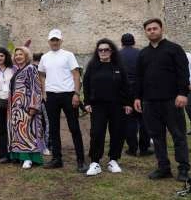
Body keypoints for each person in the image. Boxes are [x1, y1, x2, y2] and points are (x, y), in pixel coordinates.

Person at [134, 18, 191, 181]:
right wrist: (137, 97)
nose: (152, 31)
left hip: (172, 101)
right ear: (145, 32)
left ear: (161, 29)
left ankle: (183, 168)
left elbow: (183, 73)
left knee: (178, 135)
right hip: (150, 102)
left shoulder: (174, 49)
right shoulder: (143, 54)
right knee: (157, 136)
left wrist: (182, 93)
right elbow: (139, 77)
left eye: (155, 28)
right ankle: (163, 167)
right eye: (149, 29)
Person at [82, 39, 132, 176]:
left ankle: (113, 160)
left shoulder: (119, 66)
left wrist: (128, 103)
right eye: (100, 50)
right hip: (98, 106)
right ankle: (95, 162)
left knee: (117, 132)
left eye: (106, 50)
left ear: (112, 51)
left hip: (117, 106)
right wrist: (87, 102)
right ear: (97, 52)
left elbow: (126, 86)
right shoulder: (92, 66)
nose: (103, 52)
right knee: (97, 133)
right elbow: (86, 85)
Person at [38, 29, 86, 172]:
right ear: (49, 41)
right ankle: (57, 159)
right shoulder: (45, 57)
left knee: (74, 127)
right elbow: (41, 74)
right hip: (51, 96)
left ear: (61, 41)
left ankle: (81, 160)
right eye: (52, 40)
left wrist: (76, 93)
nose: (54, 42)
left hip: (68, 94)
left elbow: (76, 74)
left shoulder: (68, 55)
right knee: (53, 128)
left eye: (57, 40)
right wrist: (44, 92)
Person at [8, 47, 44, 169]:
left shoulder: (31, 69)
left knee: (28, 132)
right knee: (20, 133)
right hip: (16, 108)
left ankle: (29, 158)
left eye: (21, 54)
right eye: (16, 55)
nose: (18, 56)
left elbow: (36, 88)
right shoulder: (17, 70)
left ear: (26, 56)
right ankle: (21, 156)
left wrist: (33, 106)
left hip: (27, 106)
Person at [119, 33, 151, 157]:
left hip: (125, 90)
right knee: (144, 120)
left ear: (122, 42)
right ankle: (144, 148)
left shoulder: (118, 55)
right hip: (140, 89)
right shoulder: (141, 53)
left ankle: (132, 148)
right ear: (134, 42)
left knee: (129, 119)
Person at [32, 52, 51, 156]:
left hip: (32, 100)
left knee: (36, 123)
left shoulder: (29, 68)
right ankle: (46, 146)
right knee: (46, 123)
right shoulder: (41, 70)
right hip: (42, 99)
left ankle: (39, 145)